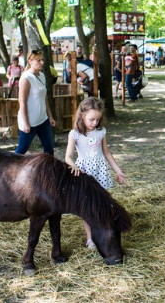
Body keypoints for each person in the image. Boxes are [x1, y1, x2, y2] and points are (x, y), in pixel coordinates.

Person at [64, 97, 127, 249]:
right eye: (91, 119)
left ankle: (104, 231)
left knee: (101, 204)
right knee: (87, 207)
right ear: (82, 115)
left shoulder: (101, 132)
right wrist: (74, 167)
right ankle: (90, 238)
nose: (95, 123)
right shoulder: (75, 134)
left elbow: (107, 153)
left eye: (97, 120)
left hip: (100, 171)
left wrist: (118, 171)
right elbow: (68, 156)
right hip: (84, 172)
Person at [15, 49, 56, 155]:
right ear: (30, 61)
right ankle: (9, 169)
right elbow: (22, 102)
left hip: (43, 119)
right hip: (30, 121)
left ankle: (48, 170)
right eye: (38, 60)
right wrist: (26, 123)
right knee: (21, 150)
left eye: (42, 60)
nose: (42, 62)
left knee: (49, 148)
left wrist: (50, 116)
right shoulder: (26, 78)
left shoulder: (42, 76)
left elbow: (44, 98)